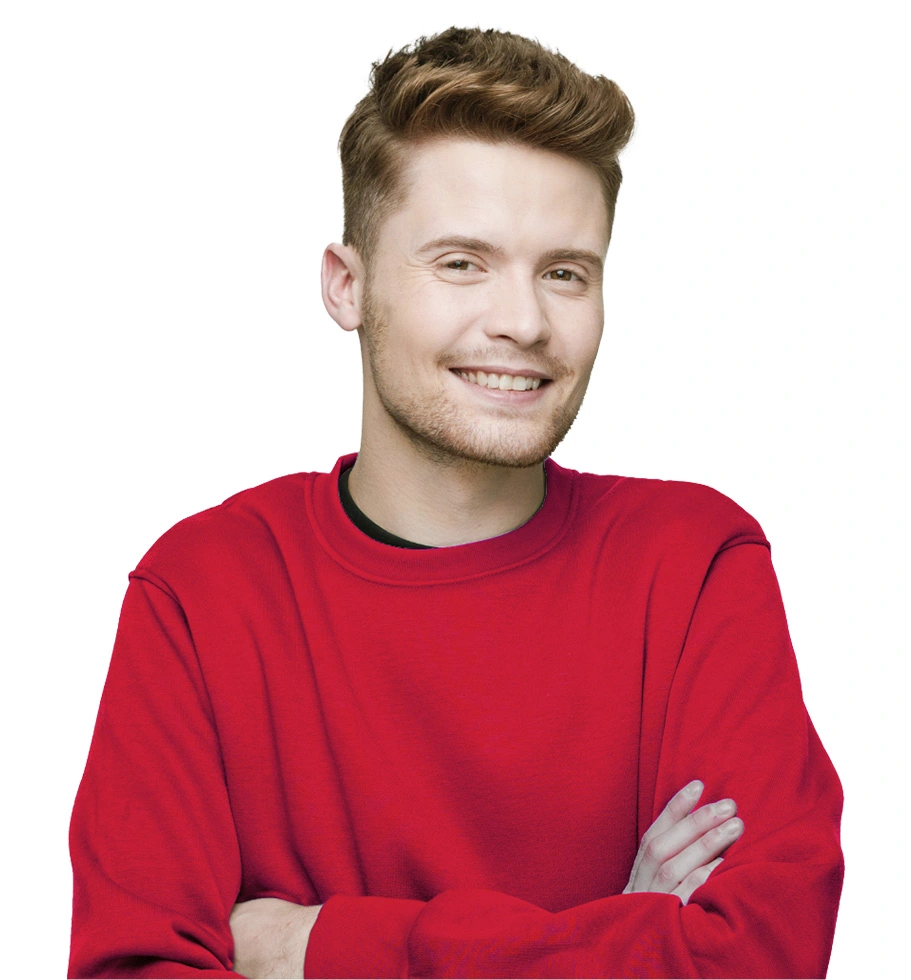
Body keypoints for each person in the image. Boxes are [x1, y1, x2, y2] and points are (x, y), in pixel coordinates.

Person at [68, 26, 844, 979]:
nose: (522, 321)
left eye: (565, 272)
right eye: (461, 262)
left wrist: (315, 949)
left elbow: (755, 960)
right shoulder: (204, 590)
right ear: (346, 286)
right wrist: (616, 938)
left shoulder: (692, 565)